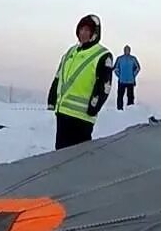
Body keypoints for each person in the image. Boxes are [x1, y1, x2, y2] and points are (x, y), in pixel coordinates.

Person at [45, 13, 112, 149]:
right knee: (61, 154)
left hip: (82, 117)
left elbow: (104, 85)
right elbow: (59, 76)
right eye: (81, 29)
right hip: (63, 112)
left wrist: (94, 106)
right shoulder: (70, 52)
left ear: (95, 33)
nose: (83, 33)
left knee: (79, 157)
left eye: (87, 30)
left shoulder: (102, 55)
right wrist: (52, 98)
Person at [114, 45, 141, 109]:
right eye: (125, 49)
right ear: (124, 50)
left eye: (128, 49)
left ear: (130, 50)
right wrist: (119, 76)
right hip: (121, 81)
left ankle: (130, 109)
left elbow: (138, 68)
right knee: (120, 96)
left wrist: (133, 75)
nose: (127, 51)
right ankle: (119, 109)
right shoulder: (120, 58)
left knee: (130, 96)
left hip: (130, 81)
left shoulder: (133, 59)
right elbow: (115, 68)